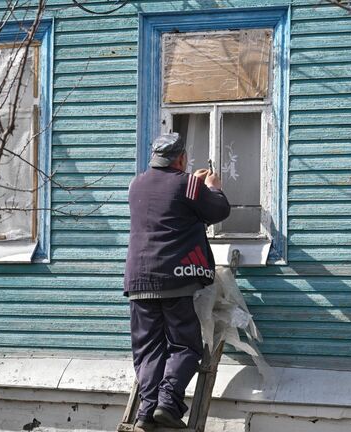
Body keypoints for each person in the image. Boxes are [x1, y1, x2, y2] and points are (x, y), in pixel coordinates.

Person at [123, 133, 231, 431]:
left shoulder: (136, 184)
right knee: (185, 345)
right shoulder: (188, 184)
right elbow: (218, 210)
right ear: (181, 158)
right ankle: (168, 404)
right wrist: (213, 188)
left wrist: (194, 185)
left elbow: (168, 208)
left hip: (138, 280)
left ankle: (146, 411)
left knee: (147, 349)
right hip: (174, 278)